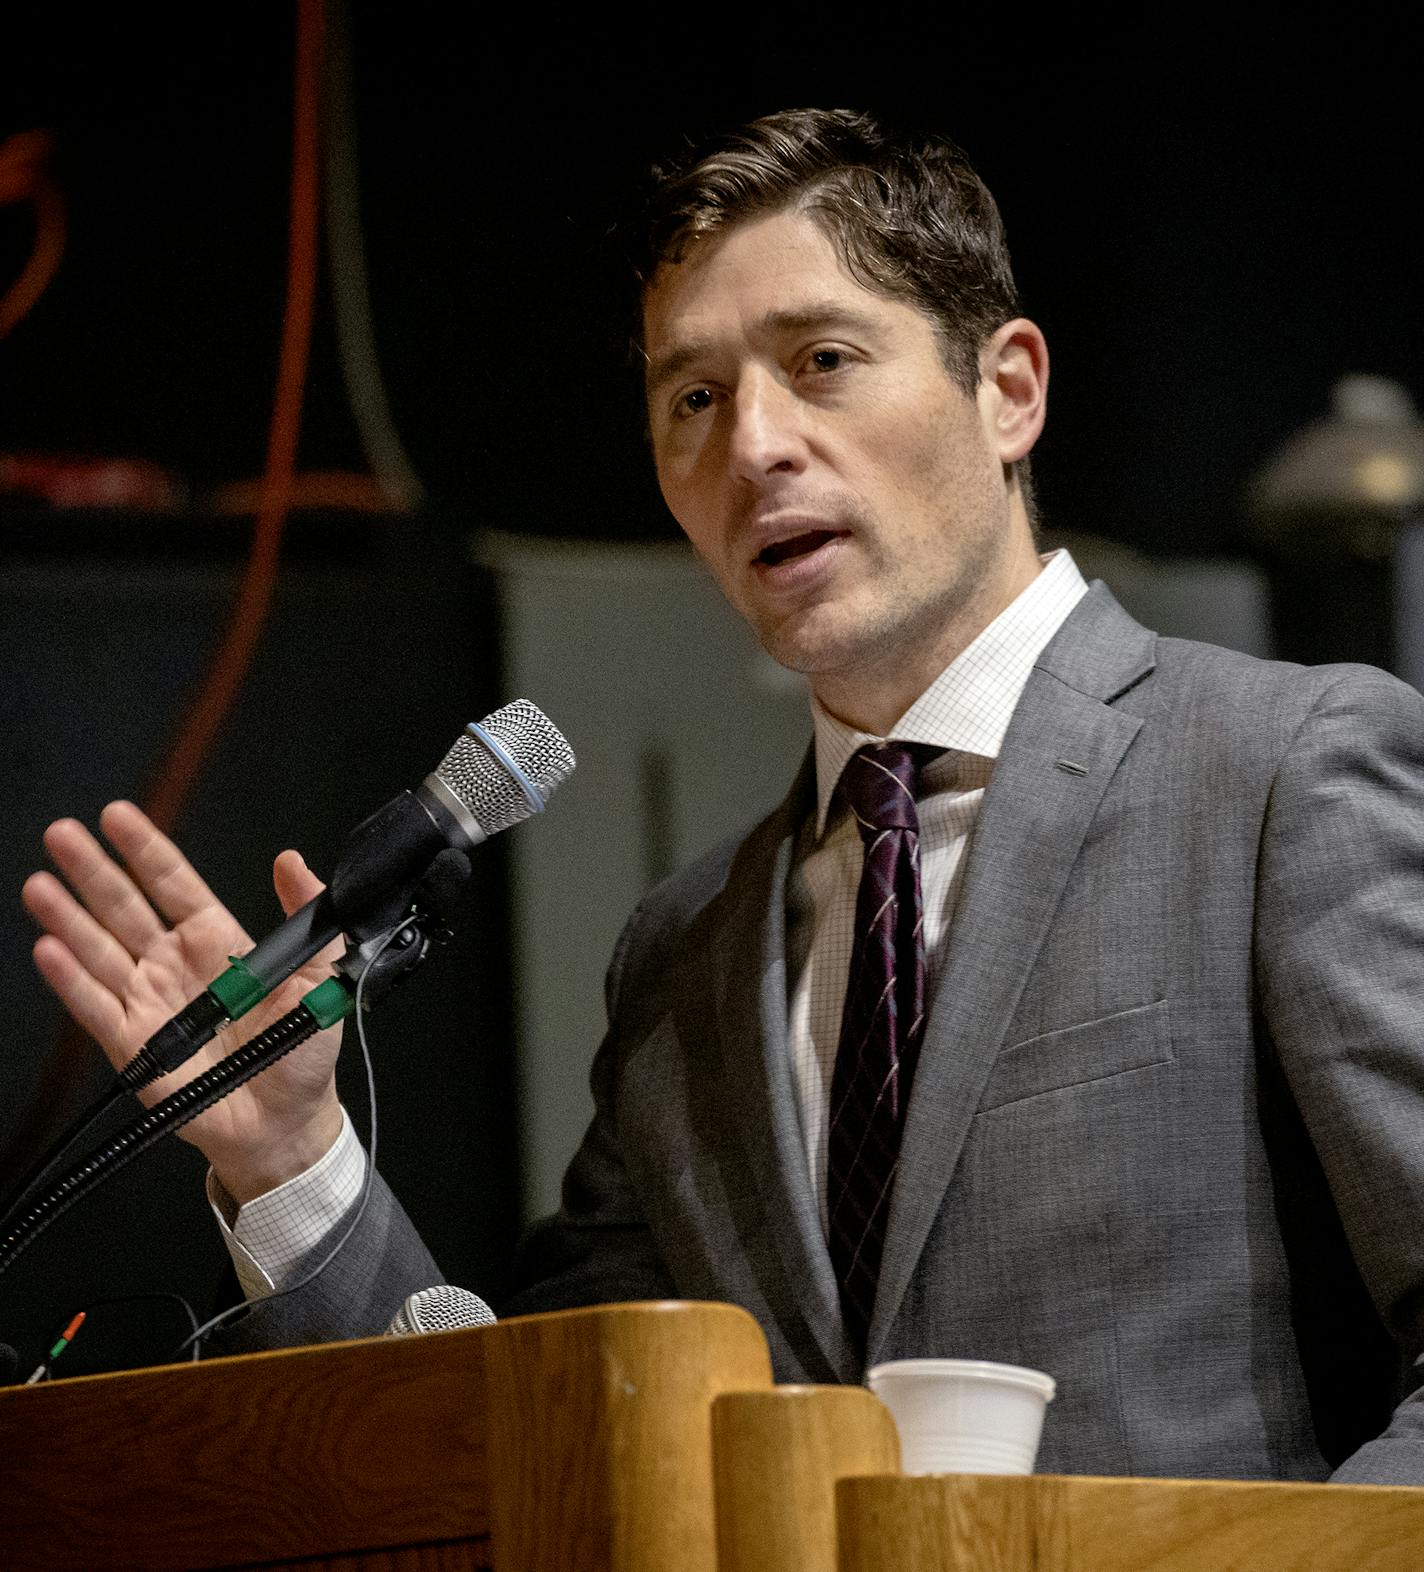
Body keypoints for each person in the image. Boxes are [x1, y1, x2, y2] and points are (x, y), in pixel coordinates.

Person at [23, 109, 1424, 1484]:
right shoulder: (688, 948)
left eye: (821, 360)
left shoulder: (1283, 775)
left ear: (1009, 389)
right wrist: (293, 1161)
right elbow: (549, 1443)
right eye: (693, 397)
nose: (753, 445)